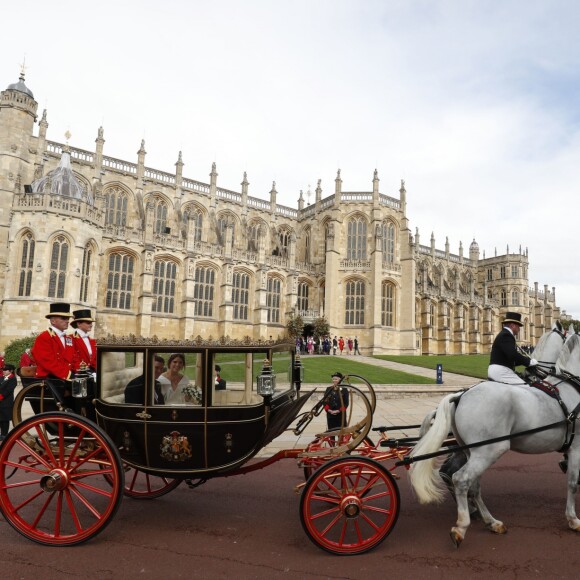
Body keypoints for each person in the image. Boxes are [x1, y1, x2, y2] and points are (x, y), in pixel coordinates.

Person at [31, 303, 76, 408]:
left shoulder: (68, 338)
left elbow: (72, 358)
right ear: (53, 321)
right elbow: (47, 362)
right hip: (50, 379)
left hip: (64, 378)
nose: (67, 321)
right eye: (63, 318)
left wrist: (78, 373)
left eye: (67, 318)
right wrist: (69, 375)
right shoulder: (44, 337)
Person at [488, 312, 537, 384]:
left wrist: (525, 361)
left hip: (501, 370)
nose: (519, 329)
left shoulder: (505, 334)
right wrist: (529, 362)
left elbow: (510, 359)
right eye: (518, 326)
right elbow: (513, 354)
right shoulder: (506, 335)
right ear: (512, 325)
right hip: (501, 371)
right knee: (525, 387)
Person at [0, 364, 17, 440]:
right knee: (0, 418)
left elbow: (8, 390)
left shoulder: (13, 379)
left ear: (11, 371)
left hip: (6, 401)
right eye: (3, 370)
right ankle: (1, 433)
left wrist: (1, 396)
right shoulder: (2, 378)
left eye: (5, 370)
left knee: (5, 419)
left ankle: (4, 434)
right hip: (1, 401)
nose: (3, 372)